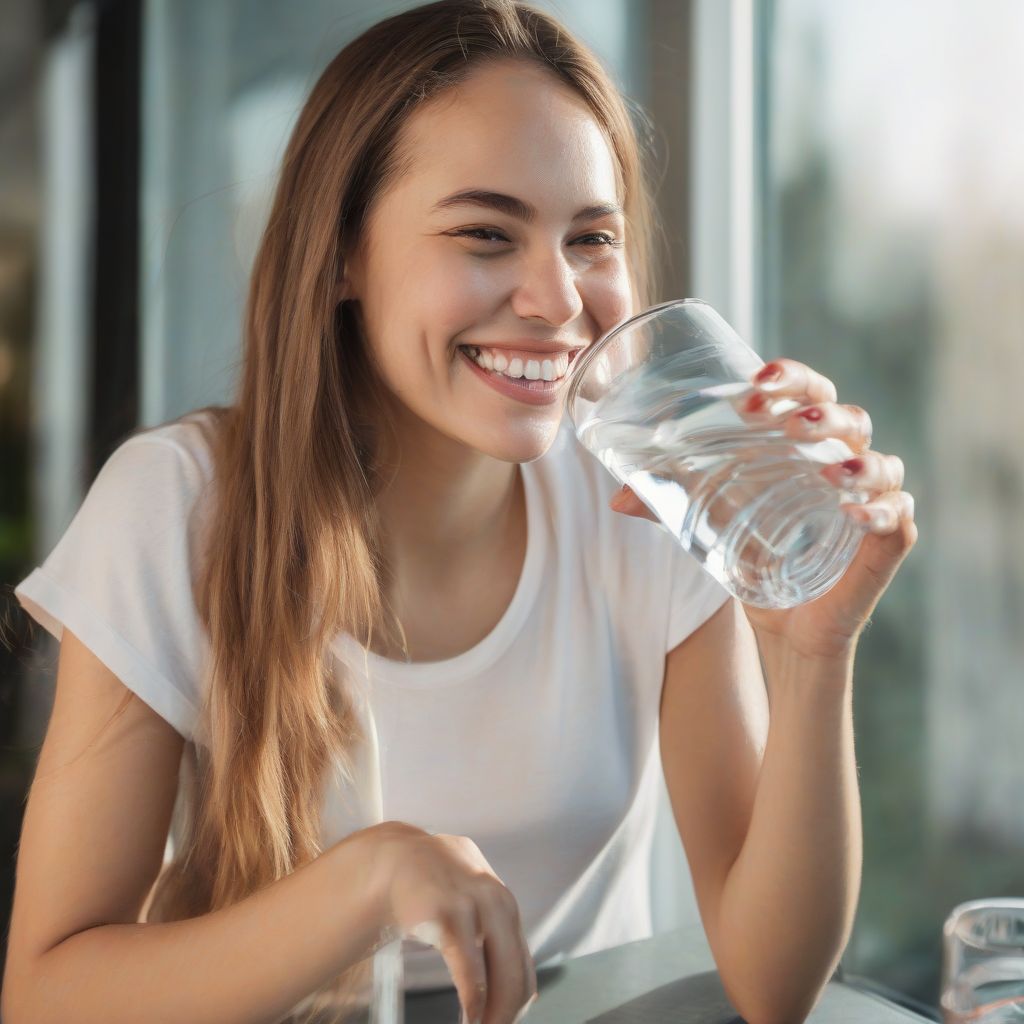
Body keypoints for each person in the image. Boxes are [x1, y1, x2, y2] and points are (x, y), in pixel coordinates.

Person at [1, 2, 917, 1023]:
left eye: (590, 238)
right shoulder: (178, 507)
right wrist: (368, 881)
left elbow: (771, 980)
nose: (556, 297)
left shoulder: (652, 496)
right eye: (485, 233)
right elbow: (46, 995)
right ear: (341, 253)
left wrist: (810, 651)